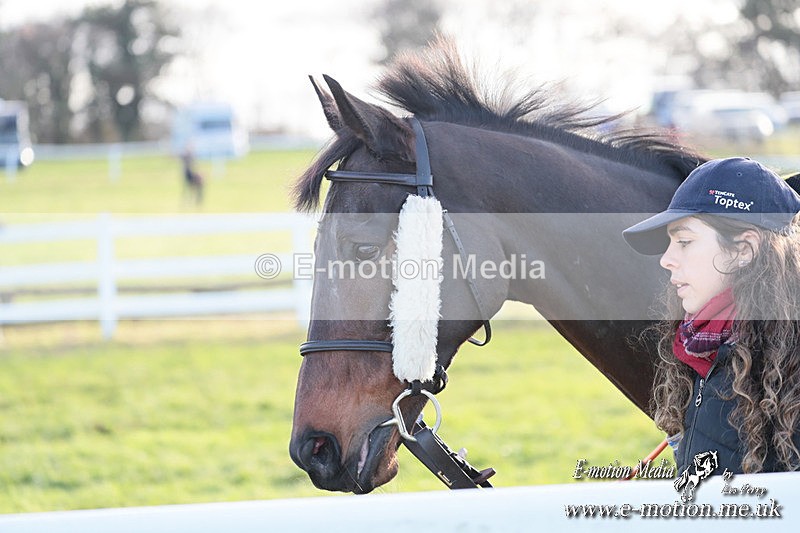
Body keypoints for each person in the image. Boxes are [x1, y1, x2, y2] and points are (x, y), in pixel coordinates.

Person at [623, 157, 800, 475]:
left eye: (684, 242)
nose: (666, 259)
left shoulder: (784, 361)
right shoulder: (705, 353)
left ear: (744, 250)